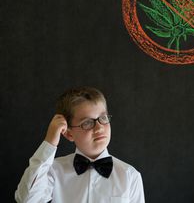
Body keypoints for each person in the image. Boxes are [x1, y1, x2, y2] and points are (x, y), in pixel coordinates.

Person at [15, 86, 145, 203]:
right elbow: (27, 199)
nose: (99, 128)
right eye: (87, 122)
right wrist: (50, 142)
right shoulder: (53, 170)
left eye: (103, 118)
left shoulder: (130, 175)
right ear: (69, 134)